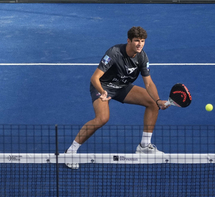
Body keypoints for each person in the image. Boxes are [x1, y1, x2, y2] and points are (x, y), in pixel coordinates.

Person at [65, 26, 169, 169]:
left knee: (152, 103)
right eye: (137, 41)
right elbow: (95, 78)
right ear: (129, 41)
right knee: (102, 118)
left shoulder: (142, 57)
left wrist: (158, 100)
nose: (140, 44)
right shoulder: (114, 53)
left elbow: (149, 83)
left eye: (143, 41)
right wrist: (102, 92)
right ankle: (70, 152)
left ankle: (144, 146)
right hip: (102, 86)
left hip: (121, 87)